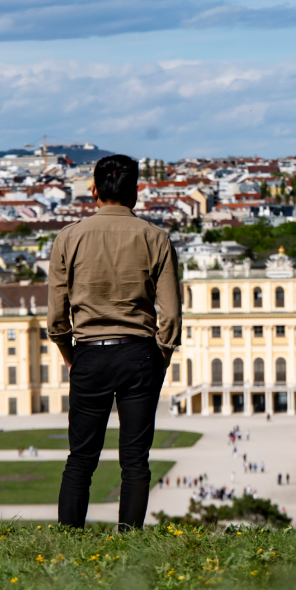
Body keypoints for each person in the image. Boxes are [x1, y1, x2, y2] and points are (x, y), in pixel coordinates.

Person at [48, 154, 181, 530]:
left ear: (93, 191)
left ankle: (69, 544)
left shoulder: (68, 238)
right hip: (140, 353)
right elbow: (170, 313)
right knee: (135, 460)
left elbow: (57, 317)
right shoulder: (156, 238)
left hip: (89, 352)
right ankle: (128, 543)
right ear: (135, 192)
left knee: (80, 459)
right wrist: (162, 354)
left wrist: (69, 355)